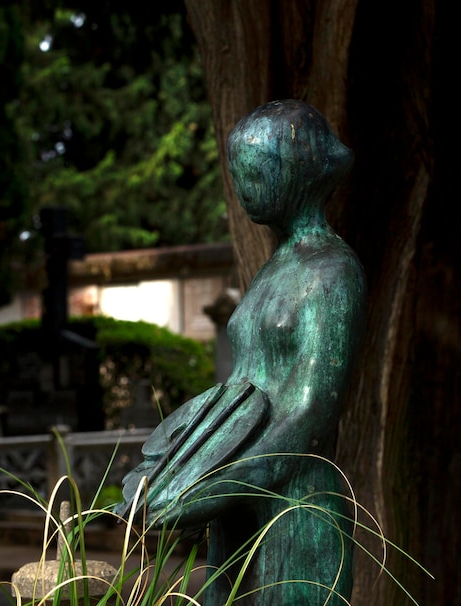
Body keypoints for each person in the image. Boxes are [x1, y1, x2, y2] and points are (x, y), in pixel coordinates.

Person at [115, 99, 367, 605]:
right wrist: (179, 468)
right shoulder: (275, 267)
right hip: (236, 491)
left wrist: (214, 483)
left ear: (295, 172)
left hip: (294, 497)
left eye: (255, 172)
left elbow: (308, 410)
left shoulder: (332, 271)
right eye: (237, 173)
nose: (242, 187)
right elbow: (242, 390)